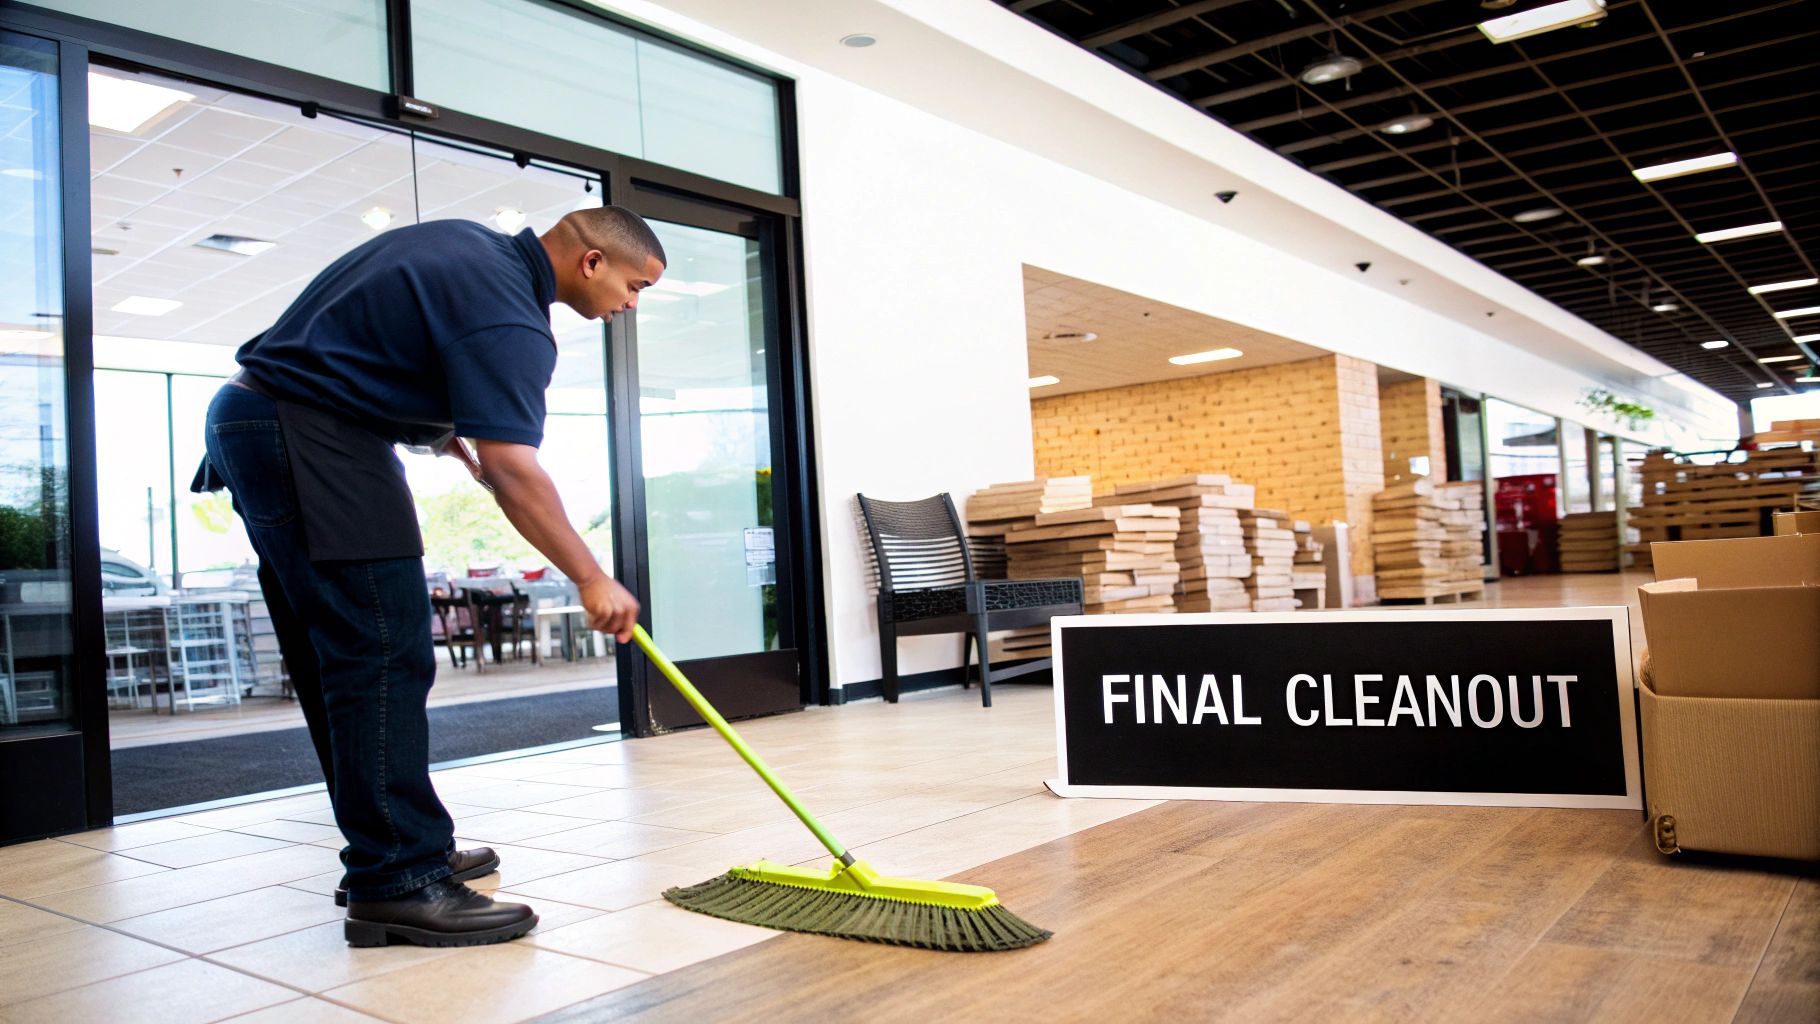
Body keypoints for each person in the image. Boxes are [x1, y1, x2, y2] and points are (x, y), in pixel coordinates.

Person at [193, 206, 663, 948]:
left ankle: (398, 847)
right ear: (592, 262)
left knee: (345, 657)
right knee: (383, 650)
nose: (631, 305)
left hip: (262, 418)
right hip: (310, 434)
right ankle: (399, 878)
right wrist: (590, 577)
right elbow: (514, 468)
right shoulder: (511, 318)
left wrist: (440, 432)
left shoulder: (469, 245)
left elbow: (371, 340)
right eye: (636, 285)